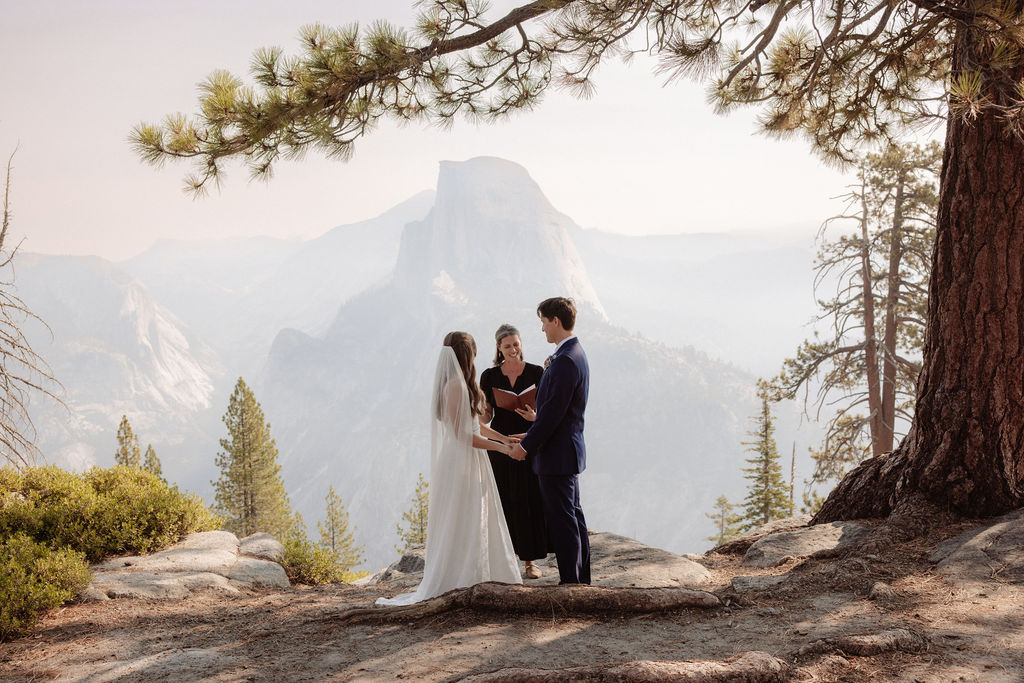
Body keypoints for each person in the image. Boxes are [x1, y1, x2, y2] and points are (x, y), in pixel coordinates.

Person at [377, 331, 522, 606]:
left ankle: (481, 572)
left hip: (471, 459)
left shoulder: (461, 384)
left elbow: (475, 425)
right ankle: (463, 577)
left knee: (475, 515)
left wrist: (505, 438)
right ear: (467, 356)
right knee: (464, 516)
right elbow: (463, 436)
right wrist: (503, 450)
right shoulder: (455, 386)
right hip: (461, 461)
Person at [510, 298, 591, 585]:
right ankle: (580, 580)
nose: (542, 328)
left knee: (563, 521)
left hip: (556, 455)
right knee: (573, 517)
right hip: (564, 450)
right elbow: (556, 411)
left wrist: (525, 446)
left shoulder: (566, 360)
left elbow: (554, 415)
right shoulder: (572, 353)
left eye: (544, 321)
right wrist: (532, 429)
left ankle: (571, 584)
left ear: (556, 321)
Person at [479, 324, 550, 579]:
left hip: (528, 441)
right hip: (500, 444)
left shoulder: (536, 372)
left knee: (529, 499)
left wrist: (534, 416)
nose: (513, 349)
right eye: (507, 346)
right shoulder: (488, 376)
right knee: (503, 499)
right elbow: (487, 413)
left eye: (516, 344)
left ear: (522, 343)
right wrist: (479, 414)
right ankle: (504, 563)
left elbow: (547, 412)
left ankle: (530, 563)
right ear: (499, 347)